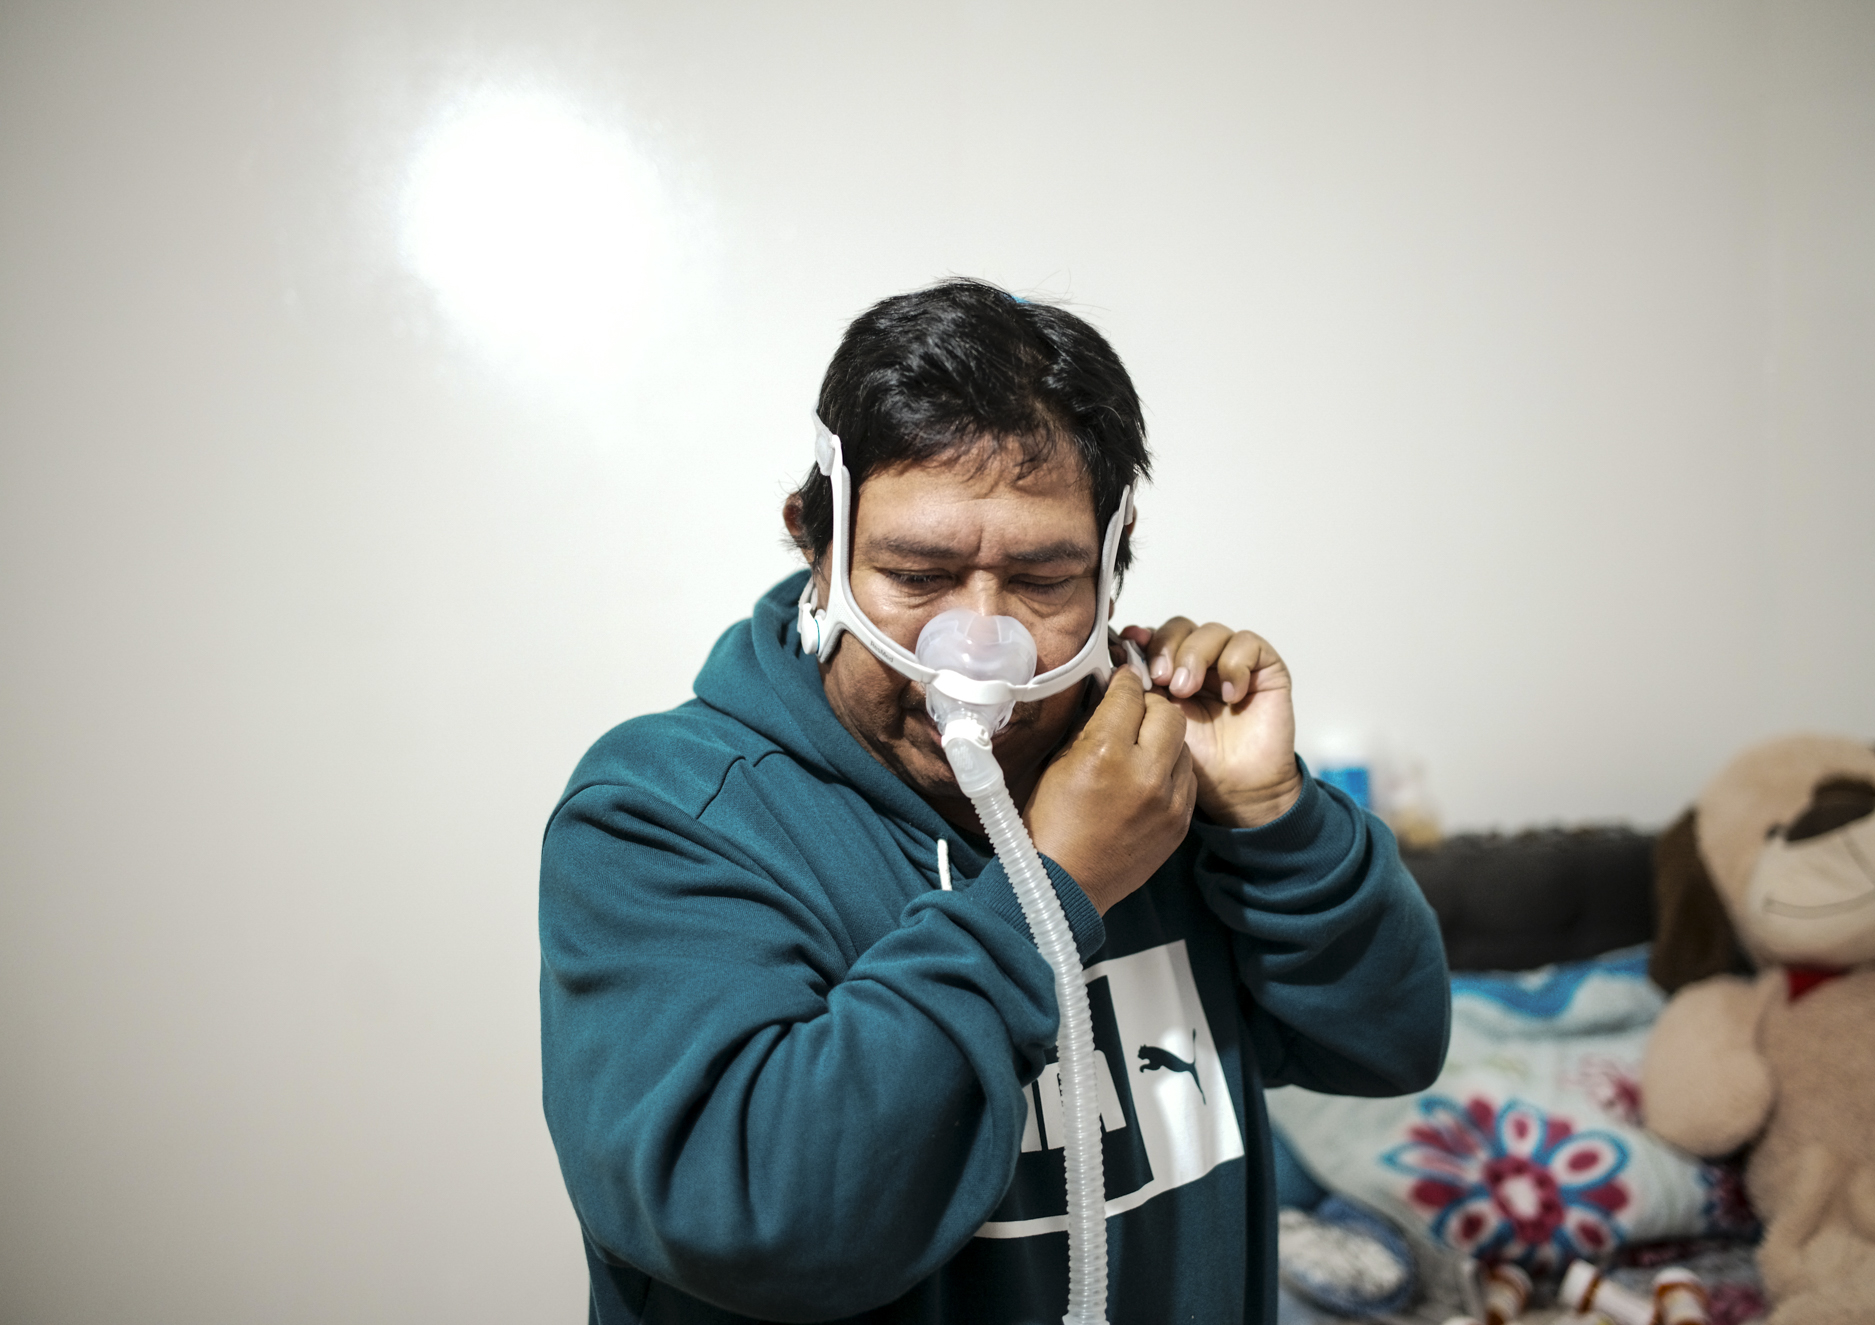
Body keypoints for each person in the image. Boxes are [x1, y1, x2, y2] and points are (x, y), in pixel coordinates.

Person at [540, 279, 1450, 1324]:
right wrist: (1055, 886)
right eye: (915, 574)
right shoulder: (663, 813)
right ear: (814, 544)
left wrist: (1271, 818)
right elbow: (754, 1219)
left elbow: (1389, 1041)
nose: (975, 645)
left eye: (1042, 579)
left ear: (1113, 559)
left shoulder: (1156, 776)